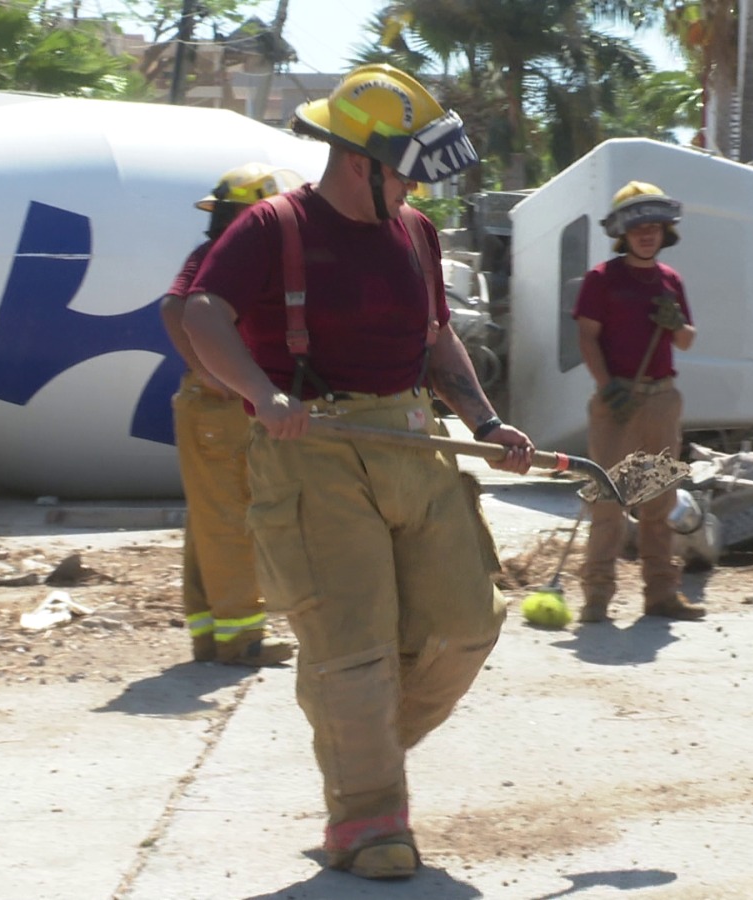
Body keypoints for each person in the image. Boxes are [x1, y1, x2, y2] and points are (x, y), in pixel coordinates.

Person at [179, 64, 534, 881]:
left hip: (417, 439)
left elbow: (439, 338)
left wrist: (485, 420)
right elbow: (201, 312)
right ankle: (367, 820)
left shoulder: (414, 231)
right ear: (359, 159)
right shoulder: (274, 226)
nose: (415, 184)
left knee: (466, 623)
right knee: (354, 651)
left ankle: (354, 742)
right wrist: (262, 394)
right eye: (405, 167)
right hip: (312, 451)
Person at [159, 163, 303, 667]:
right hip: (219, 408)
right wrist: (214, 376)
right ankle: (243, 639)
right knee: (234, 521)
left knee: (208, 521)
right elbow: (175, 310)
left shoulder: (209, 253)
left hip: (206, 406)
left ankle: (211, 635)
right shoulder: (229, 258)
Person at [573, 181, 705, 624]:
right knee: (608, 503)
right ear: (623, 234)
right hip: (617, 402)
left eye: (653, 227)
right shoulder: (601, 279)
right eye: (637, 228)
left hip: (661, 400)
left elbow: (686, 341)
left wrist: (674, 322)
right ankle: (596, 597)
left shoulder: (671, 282)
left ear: (665, 232)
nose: (646, 235)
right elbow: (587, 337)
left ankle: (661, 594)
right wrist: (607, 386)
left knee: (659, 502)